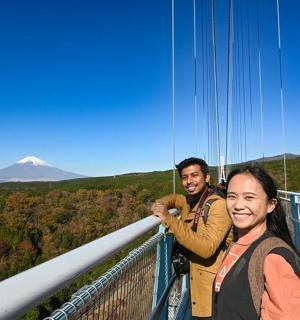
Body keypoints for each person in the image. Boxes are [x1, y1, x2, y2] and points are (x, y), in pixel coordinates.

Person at [212, 166, 300, 320]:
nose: (238, 206)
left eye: (249, 197)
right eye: (231, 196)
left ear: (271, 205)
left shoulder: (273, 257)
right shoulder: (238, 243)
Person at [151, 157, 233, 319]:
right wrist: (160, 204)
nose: (189, 181)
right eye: (185, 177)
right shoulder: (189, 201)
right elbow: (175, 198)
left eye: (194, 175)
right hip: (196, 281)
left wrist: (168, 218)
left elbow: (206, 248)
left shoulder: (218, 205)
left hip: (213, 291)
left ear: (207, 178)